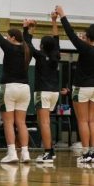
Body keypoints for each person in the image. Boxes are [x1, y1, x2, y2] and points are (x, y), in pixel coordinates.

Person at [56, 4, 94, 164]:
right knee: (92, 121)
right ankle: (93, 152)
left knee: (83, 121)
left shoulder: (85, 48)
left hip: (82, 88)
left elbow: (70, 34)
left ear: (89, 37)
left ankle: (85, 154)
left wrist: (62, 15)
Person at [0, 8, 33, 164]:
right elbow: (27, 39)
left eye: (8, 36)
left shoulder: (9, 47)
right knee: (21, 122)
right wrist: (26, 28)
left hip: (9, 88)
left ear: (12, 38)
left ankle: (12, 153)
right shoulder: (26, 49)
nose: (5, 37)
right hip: (25, 89)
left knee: (8, 122)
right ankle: (25, 153)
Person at [23, 13, 62, 164]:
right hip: (54, 92)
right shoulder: (56, 54)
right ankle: (50, 150)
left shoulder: (40, 55)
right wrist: (54, 21)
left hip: (43, 91)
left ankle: (48, 153)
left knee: (44, 123)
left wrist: (29, 29)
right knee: (44, 122)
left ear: (42, 46)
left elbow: (27, 43)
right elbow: (57, 39)